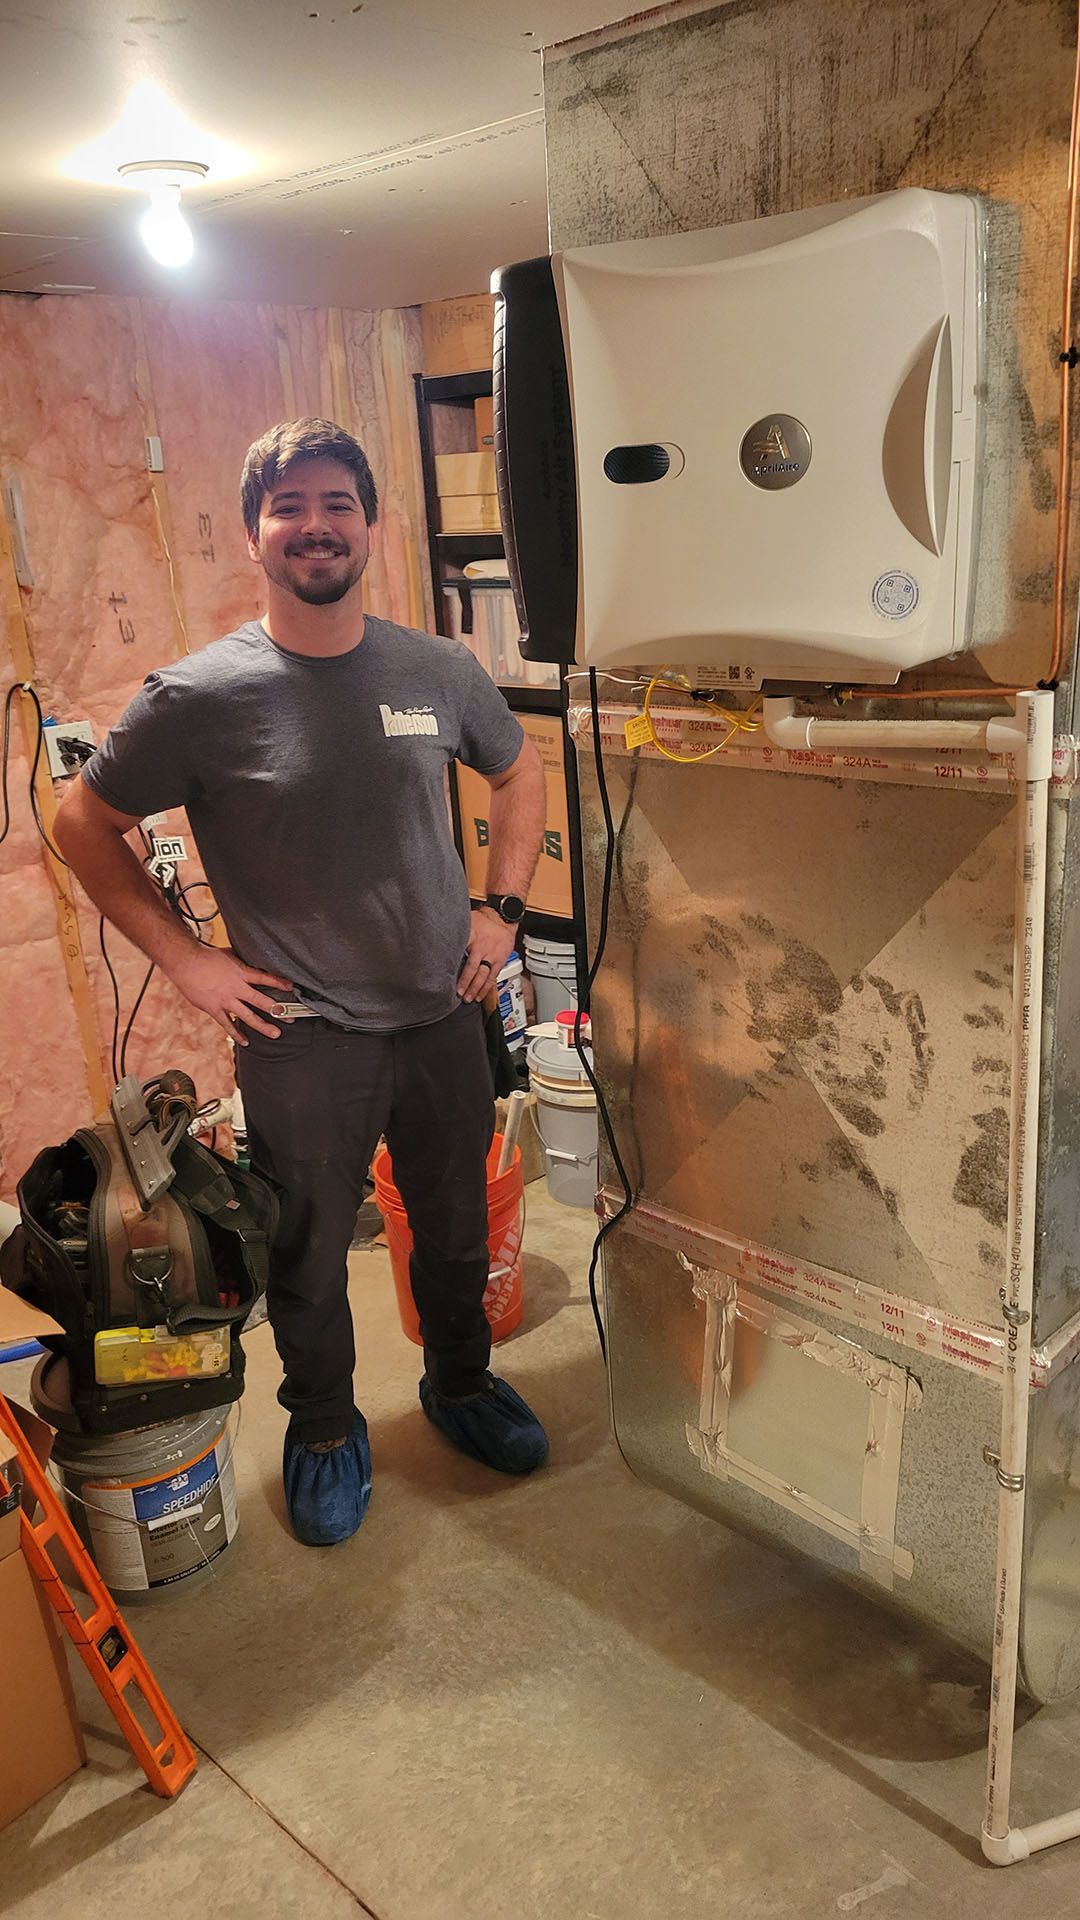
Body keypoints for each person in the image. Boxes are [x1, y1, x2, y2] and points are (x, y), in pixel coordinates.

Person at [55, 417, 549, 1547]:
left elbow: (519, 775)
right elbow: (84, 823)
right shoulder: (199, 697)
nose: (315, 528)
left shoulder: (436, 669)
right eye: (290, 509)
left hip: (440, 1012)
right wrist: (187, 958)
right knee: (311, 1255)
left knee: (456, 1224)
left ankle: (460, 1385)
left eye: (336, 505)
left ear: (370, 525)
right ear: (253, 535)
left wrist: (502, 910)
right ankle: (325, 1424)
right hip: (302, 1033)